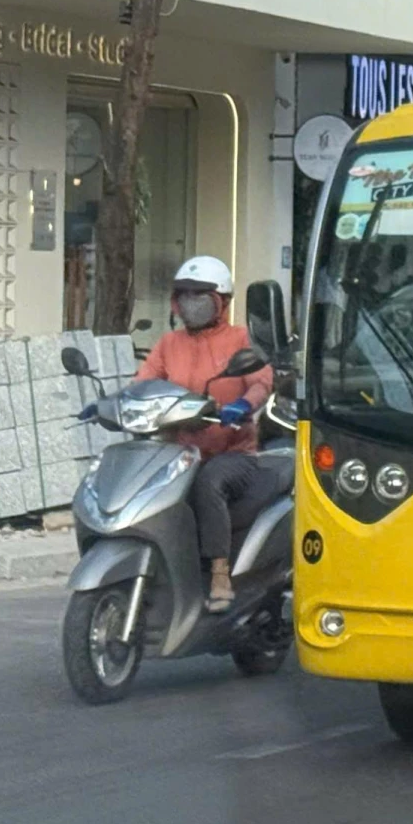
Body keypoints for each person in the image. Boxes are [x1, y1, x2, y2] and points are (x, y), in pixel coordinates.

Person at [136, 256, 275, 613]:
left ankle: (219, 573)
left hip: (232, 454)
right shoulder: (169, 343)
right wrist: (111, 404)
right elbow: (143, 382)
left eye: (201, 295)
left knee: (207, 482)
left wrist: (243, 406)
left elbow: (261, 380)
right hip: (178, 450)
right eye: (184, 294)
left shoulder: (241, 339)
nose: (190, 302)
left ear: (222, 301)